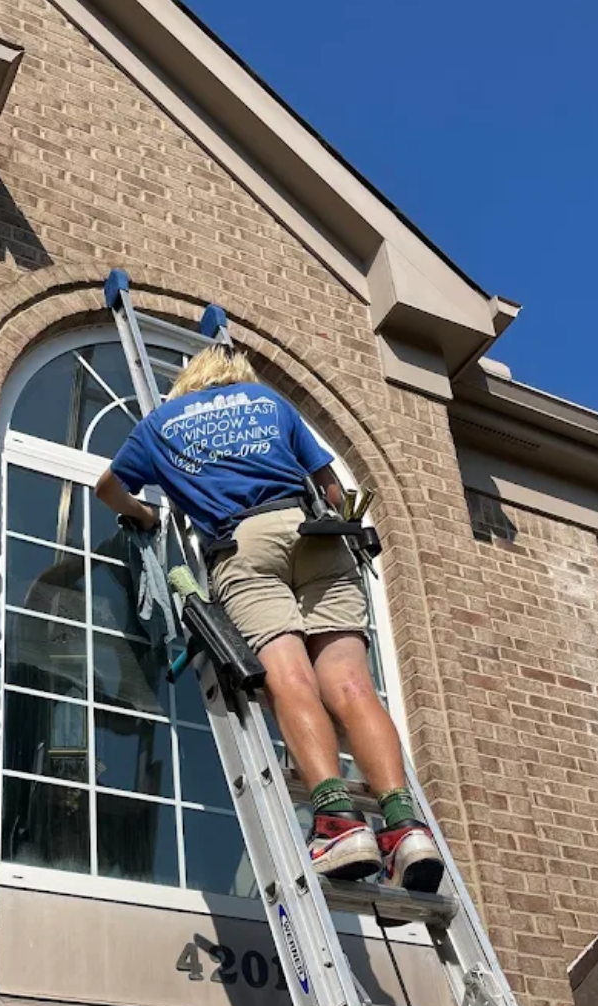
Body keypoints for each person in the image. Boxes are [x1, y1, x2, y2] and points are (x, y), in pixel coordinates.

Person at [94, 346, 443, 892]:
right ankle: (404, 827)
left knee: (289, 677)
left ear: (188, 382)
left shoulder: (160, 424)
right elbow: (331, 487)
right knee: (352, 684)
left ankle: (337, 821)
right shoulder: (267, 400)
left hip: (244, 543)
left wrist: (142, 513)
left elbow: (107, 488)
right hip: (316, 537)